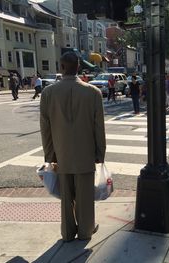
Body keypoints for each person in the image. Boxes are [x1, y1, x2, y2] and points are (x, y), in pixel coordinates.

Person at [40, 51, 106, 242]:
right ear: (79, 67)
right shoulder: (93, 93)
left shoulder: (48, 93)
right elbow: (98, 127)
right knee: (85, 197)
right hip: (85, 153)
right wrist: (100, 153)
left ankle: (67, 232)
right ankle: (85, 231)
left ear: (61, 67)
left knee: (65, 197)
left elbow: (45, 128)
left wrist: (49, 154)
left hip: (61, 153)